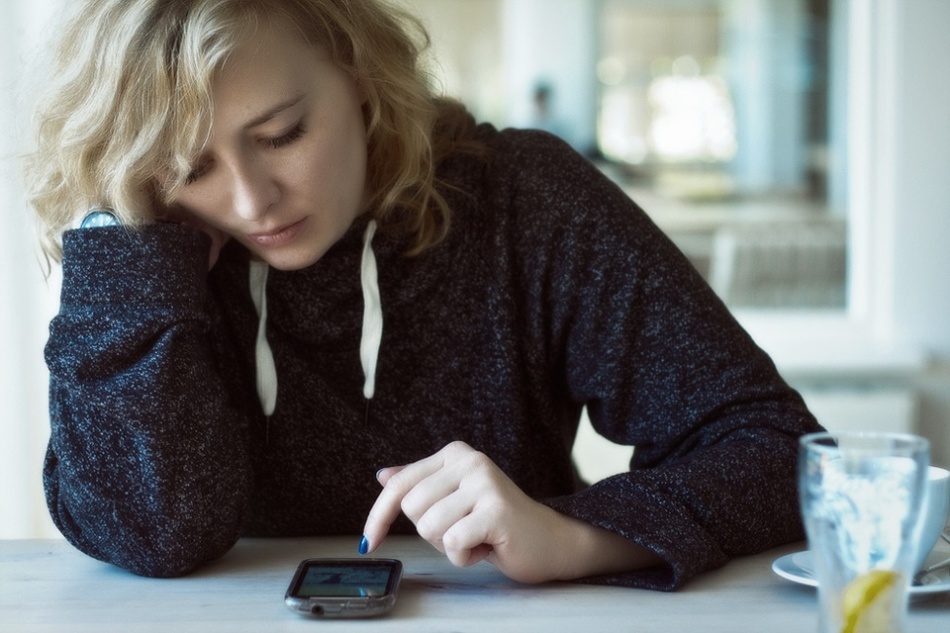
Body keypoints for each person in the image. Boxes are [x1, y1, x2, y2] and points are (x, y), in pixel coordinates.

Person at [25, 0, 821, 590]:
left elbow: (777, 452)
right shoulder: (155, 256)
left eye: (282, 135)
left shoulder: (524, 200)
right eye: (189, 166)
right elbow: (149, 535)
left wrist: (571, 535)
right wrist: (126, 249)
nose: (252, 201)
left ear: (360, 76)